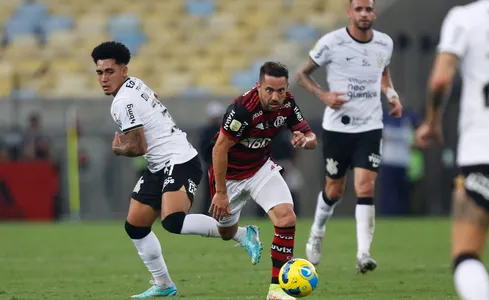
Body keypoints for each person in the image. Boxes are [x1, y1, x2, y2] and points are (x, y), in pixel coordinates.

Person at [91, 41, 262, 298]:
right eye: (99, 73)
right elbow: (155, 99)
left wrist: (119, 148)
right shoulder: (134, 83)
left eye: (109, 72)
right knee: (135, 226)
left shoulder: (122, 102)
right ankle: (163, 285)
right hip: (160, 164)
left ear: (123, 71)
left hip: (180, 160)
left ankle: (242, 233)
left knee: (172, 220)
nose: (104, 78)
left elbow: (138, 146)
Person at [295, 0, 403, 273]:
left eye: (369, 9)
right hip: (338, 129)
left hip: (370, 126)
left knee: (365, 187)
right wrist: (324, 95)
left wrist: (391, 95)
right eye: (359, 9)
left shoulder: (384, 43)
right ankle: (317, 232)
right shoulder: (332, 42)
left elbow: (383, 72)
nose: (364, 14)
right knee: (334, 190)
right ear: (350, 13)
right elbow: (302, 74)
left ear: (374, 13)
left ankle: (363, 253)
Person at [208, 61, 317, 300]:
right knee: (225, 232)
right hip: (231, 176)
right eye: (269, 90)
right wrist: (221, 192)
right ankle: (242, 233)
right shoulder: (242, 109)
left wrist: (305, 140)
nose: (275, 96)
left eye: (280, 90)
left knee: (287, 218)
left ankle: (276, 290)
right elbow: (219, 150)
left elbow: (311, 137)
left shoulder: (288, 103)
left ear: (286, 87)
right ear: (258, 86)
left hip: (260, 169)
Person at [415, 1, 489, 299]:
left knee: (467, 254)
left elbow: (441, 79)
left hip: (483, 151)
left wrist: (432, 121)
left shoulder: (464, 18)